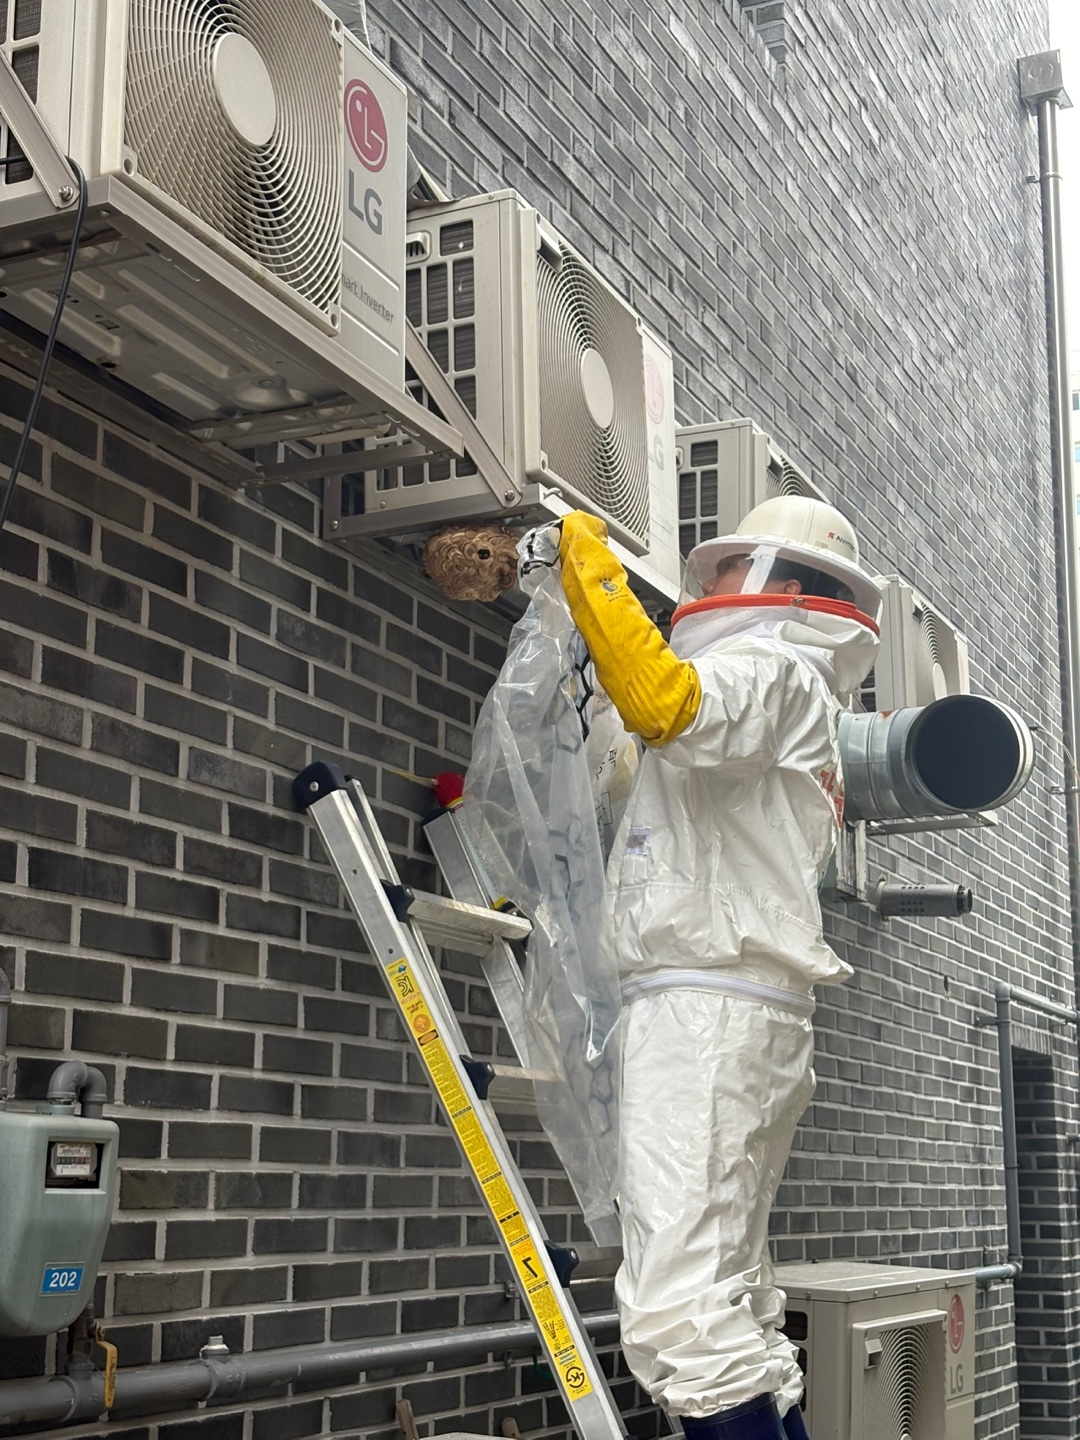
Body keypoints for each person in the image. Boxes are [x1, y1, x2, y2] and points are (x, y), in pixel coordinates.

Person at [555, 496, 882, 1440]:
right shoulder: (798, 687)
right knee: (734, 1304)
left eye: (738, 565)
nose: (719, 582)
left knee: (682, 1314)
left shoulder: (771, 664)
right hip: (739, 1013)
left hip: (706, 1013)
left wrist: (590, 568)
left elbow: (667, 706)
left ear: (784, 582)